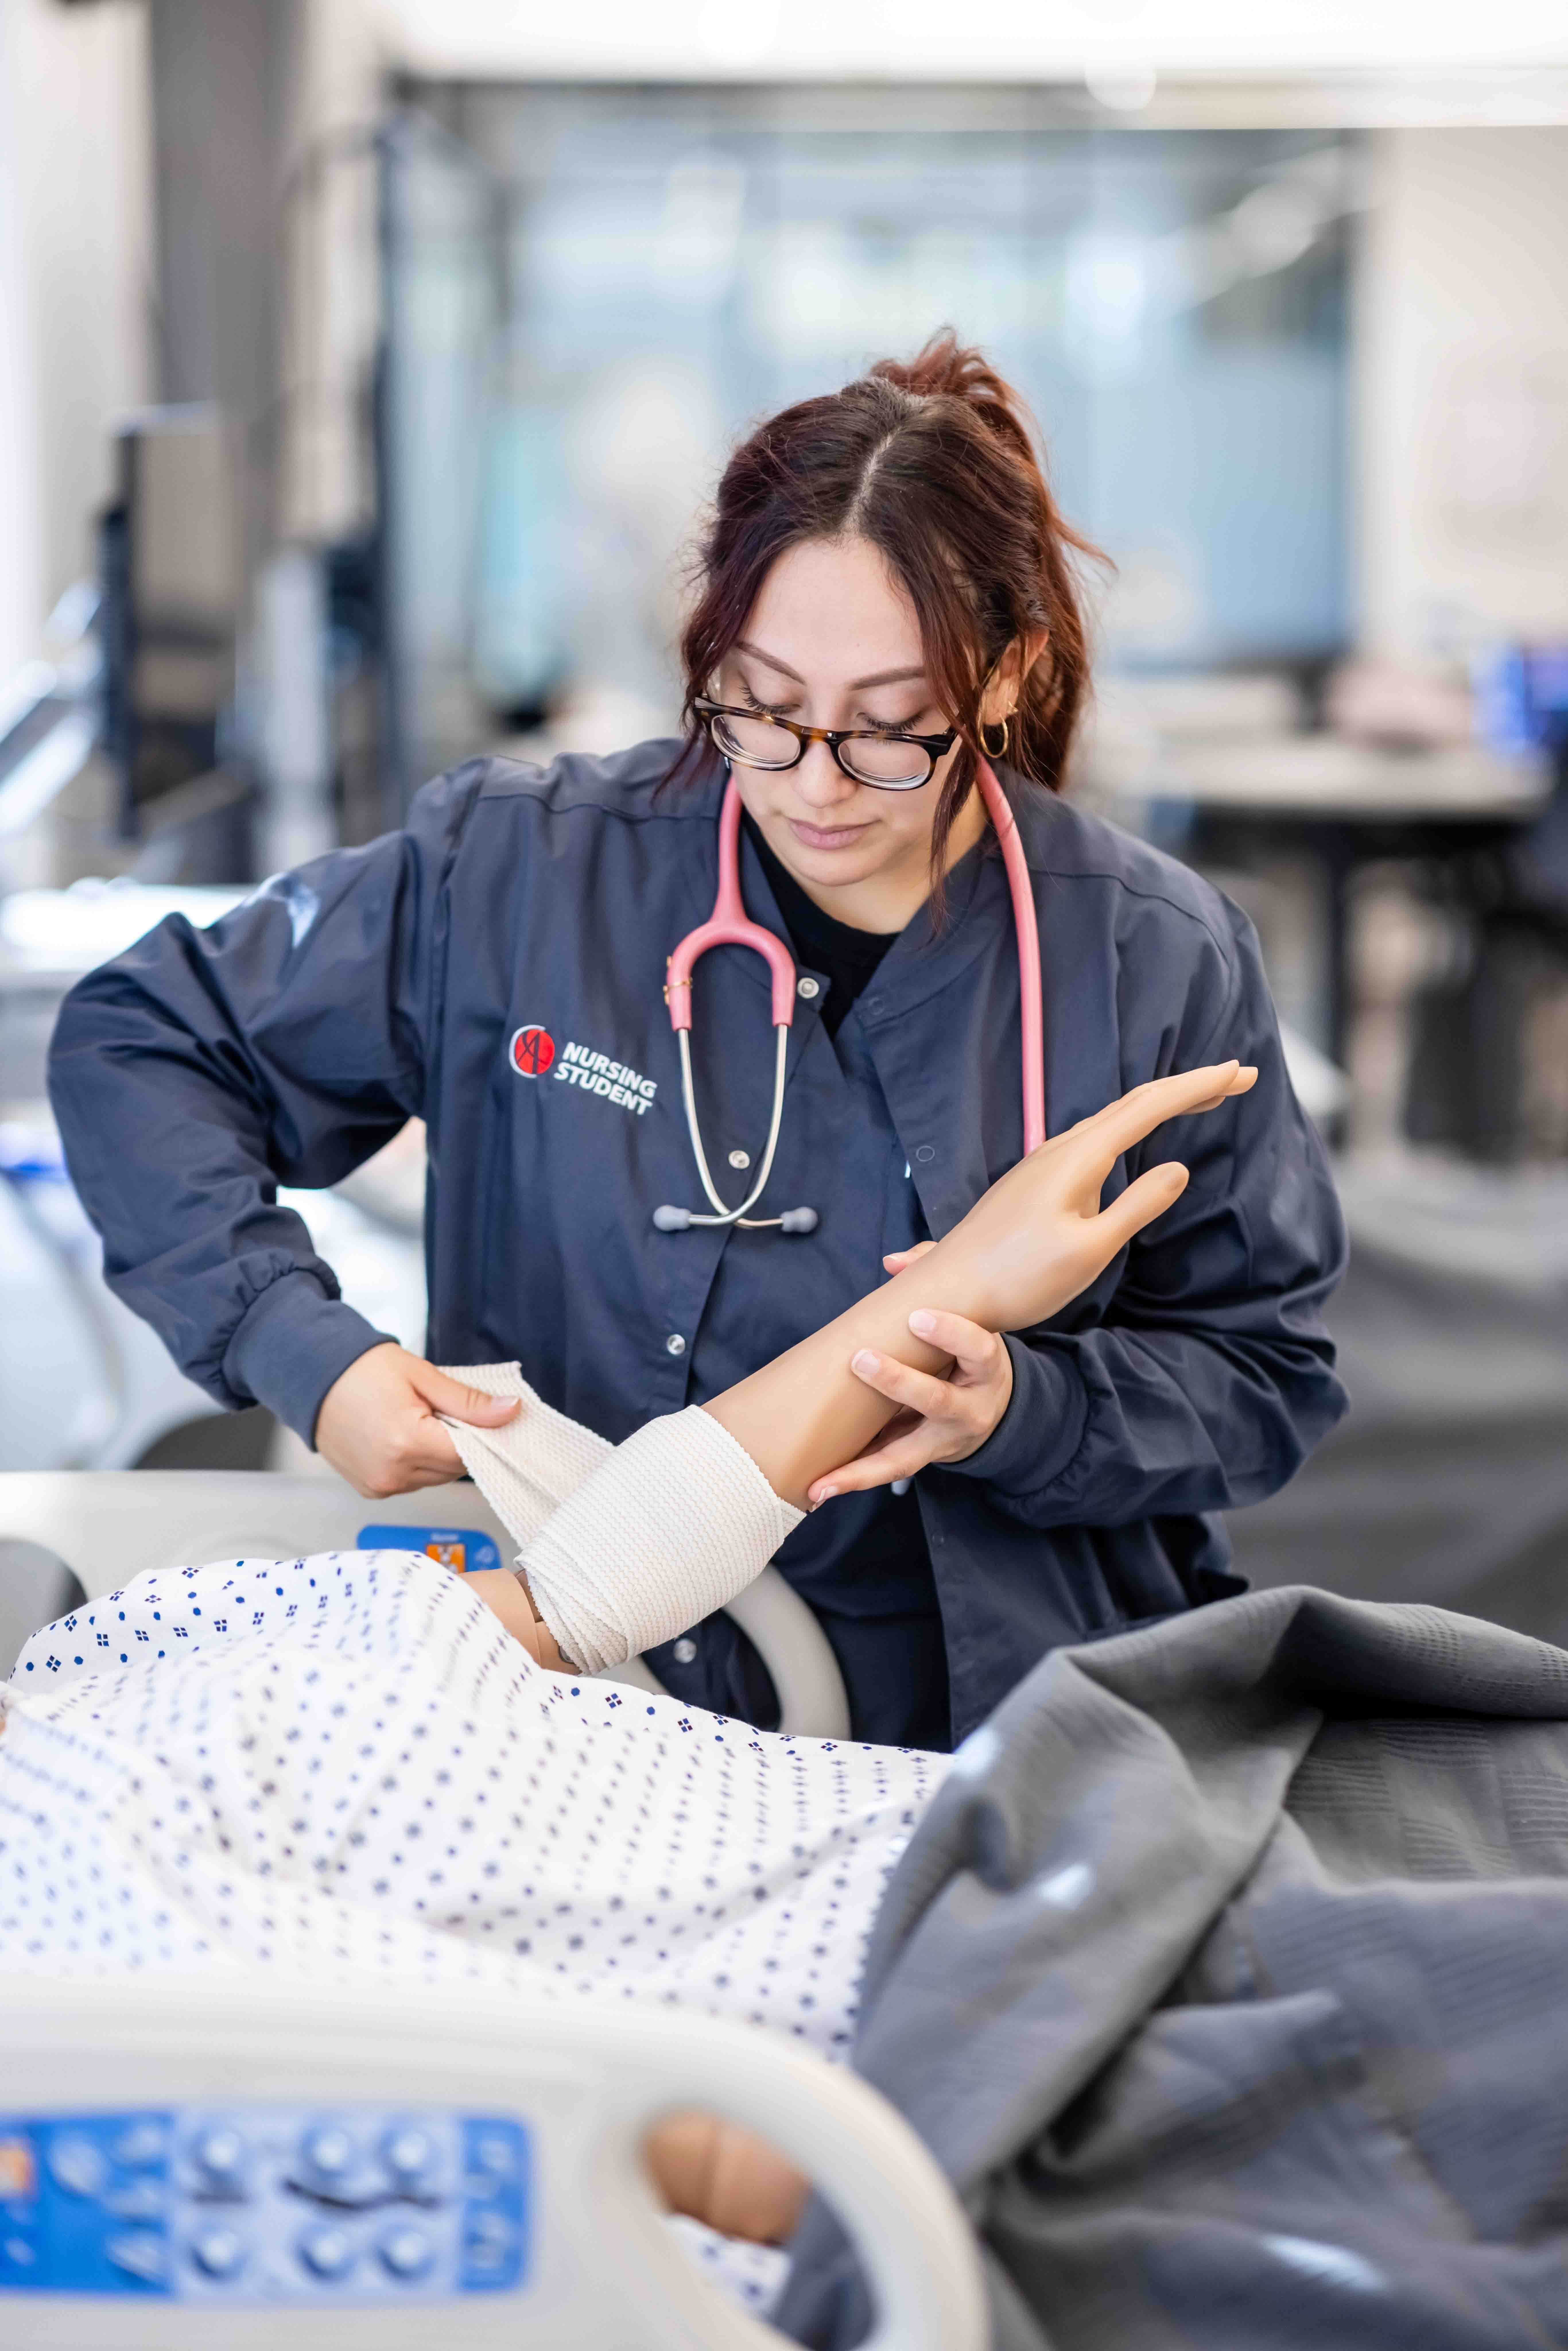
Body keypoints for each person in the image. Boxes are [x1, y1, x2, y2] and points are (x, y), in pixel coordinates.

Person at [48, 332, 1346, 1750]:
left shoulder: (1150, 955)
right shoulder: (525, 870)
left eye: (888, 729)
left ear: (1003, 675)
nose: (815, 786)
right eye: (762, 710)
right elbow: (142, 1039)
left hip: (1003, 1727)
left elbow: (1264, 1376)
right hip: (574, 1703)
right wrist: (302, 1349)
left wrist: (1027, 1408)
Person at [2, 1061, 1252, 2248]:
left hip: (1074, 1834)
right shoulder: (63, 1885)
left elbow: (588, 1585)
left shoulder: (103, 1651)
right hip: (1024, 2033)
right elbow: (605, 2121)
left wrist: (960, 1287)